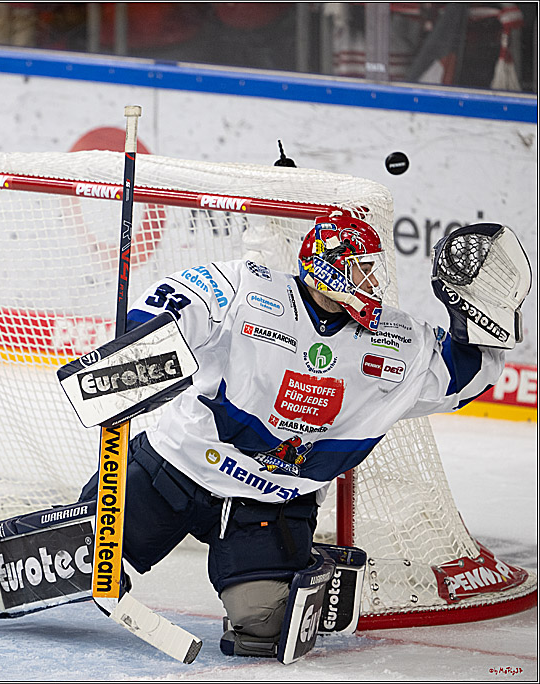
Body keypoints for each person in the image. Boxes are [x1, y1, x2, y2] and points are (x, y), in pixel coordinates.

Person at [75, 215, 526, 657]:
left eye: (374, 268)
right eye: (361, 267)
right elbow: (176, 304)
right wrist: (139, 348)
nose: (372, 280)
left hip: (269, 504)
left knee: (263, 626)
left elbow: (461, 378)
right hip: (178, 468)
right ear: (328, 268)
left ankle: (306, 565)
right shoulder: (247, 288)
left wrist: (470, 310)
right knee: (73, 563)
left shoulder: (396, 339)